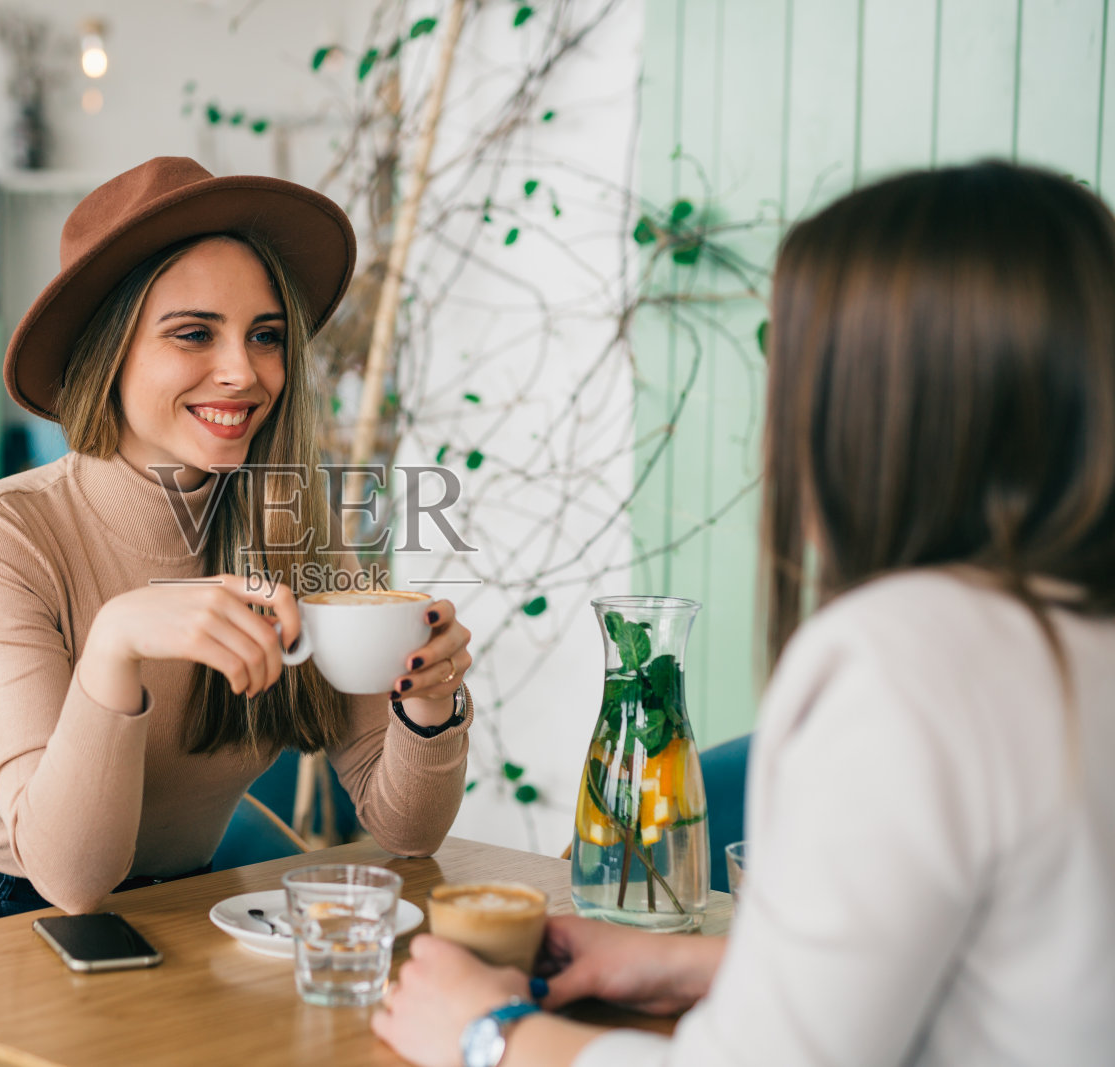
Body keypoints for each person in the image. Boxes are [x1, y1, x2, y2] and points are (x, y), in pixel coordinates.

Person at [374, 161, 1115, 1066]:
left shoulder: (909, 657)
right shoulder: (1070, 637)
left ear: (874, 407)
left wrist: (487, 1032)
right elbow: (996, 982)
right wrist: (693, 965)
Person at [0, 157, 476, 1065]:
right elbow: (71, 877)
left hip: (182, 917)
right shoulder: (2, 531)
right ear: (108, 353)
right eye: (193, 333)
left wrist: (428, 699)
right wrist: (114, 643)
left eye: (266, 336)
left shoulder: (292, 531)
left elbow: (407, 828)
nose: (242, 372)